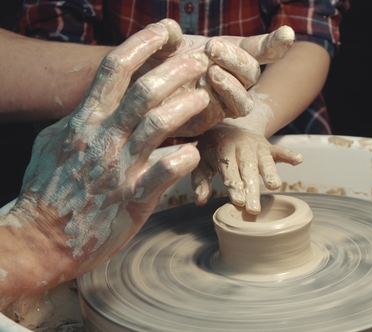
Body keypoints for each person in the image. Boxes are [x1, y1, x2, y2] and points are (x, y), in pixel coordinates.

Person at [0, 19, 303, 316]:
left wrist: (245, 118)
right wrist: (39, 236)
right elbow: (55, 26)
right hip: (99, 144)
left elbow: (306, 41)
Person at [7, 0, 350, 214]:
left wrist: (250, 118)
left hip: (272, 111)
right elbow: (55, 39)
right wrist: (142, 74)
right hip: (128, 124)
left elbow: (307, 38)